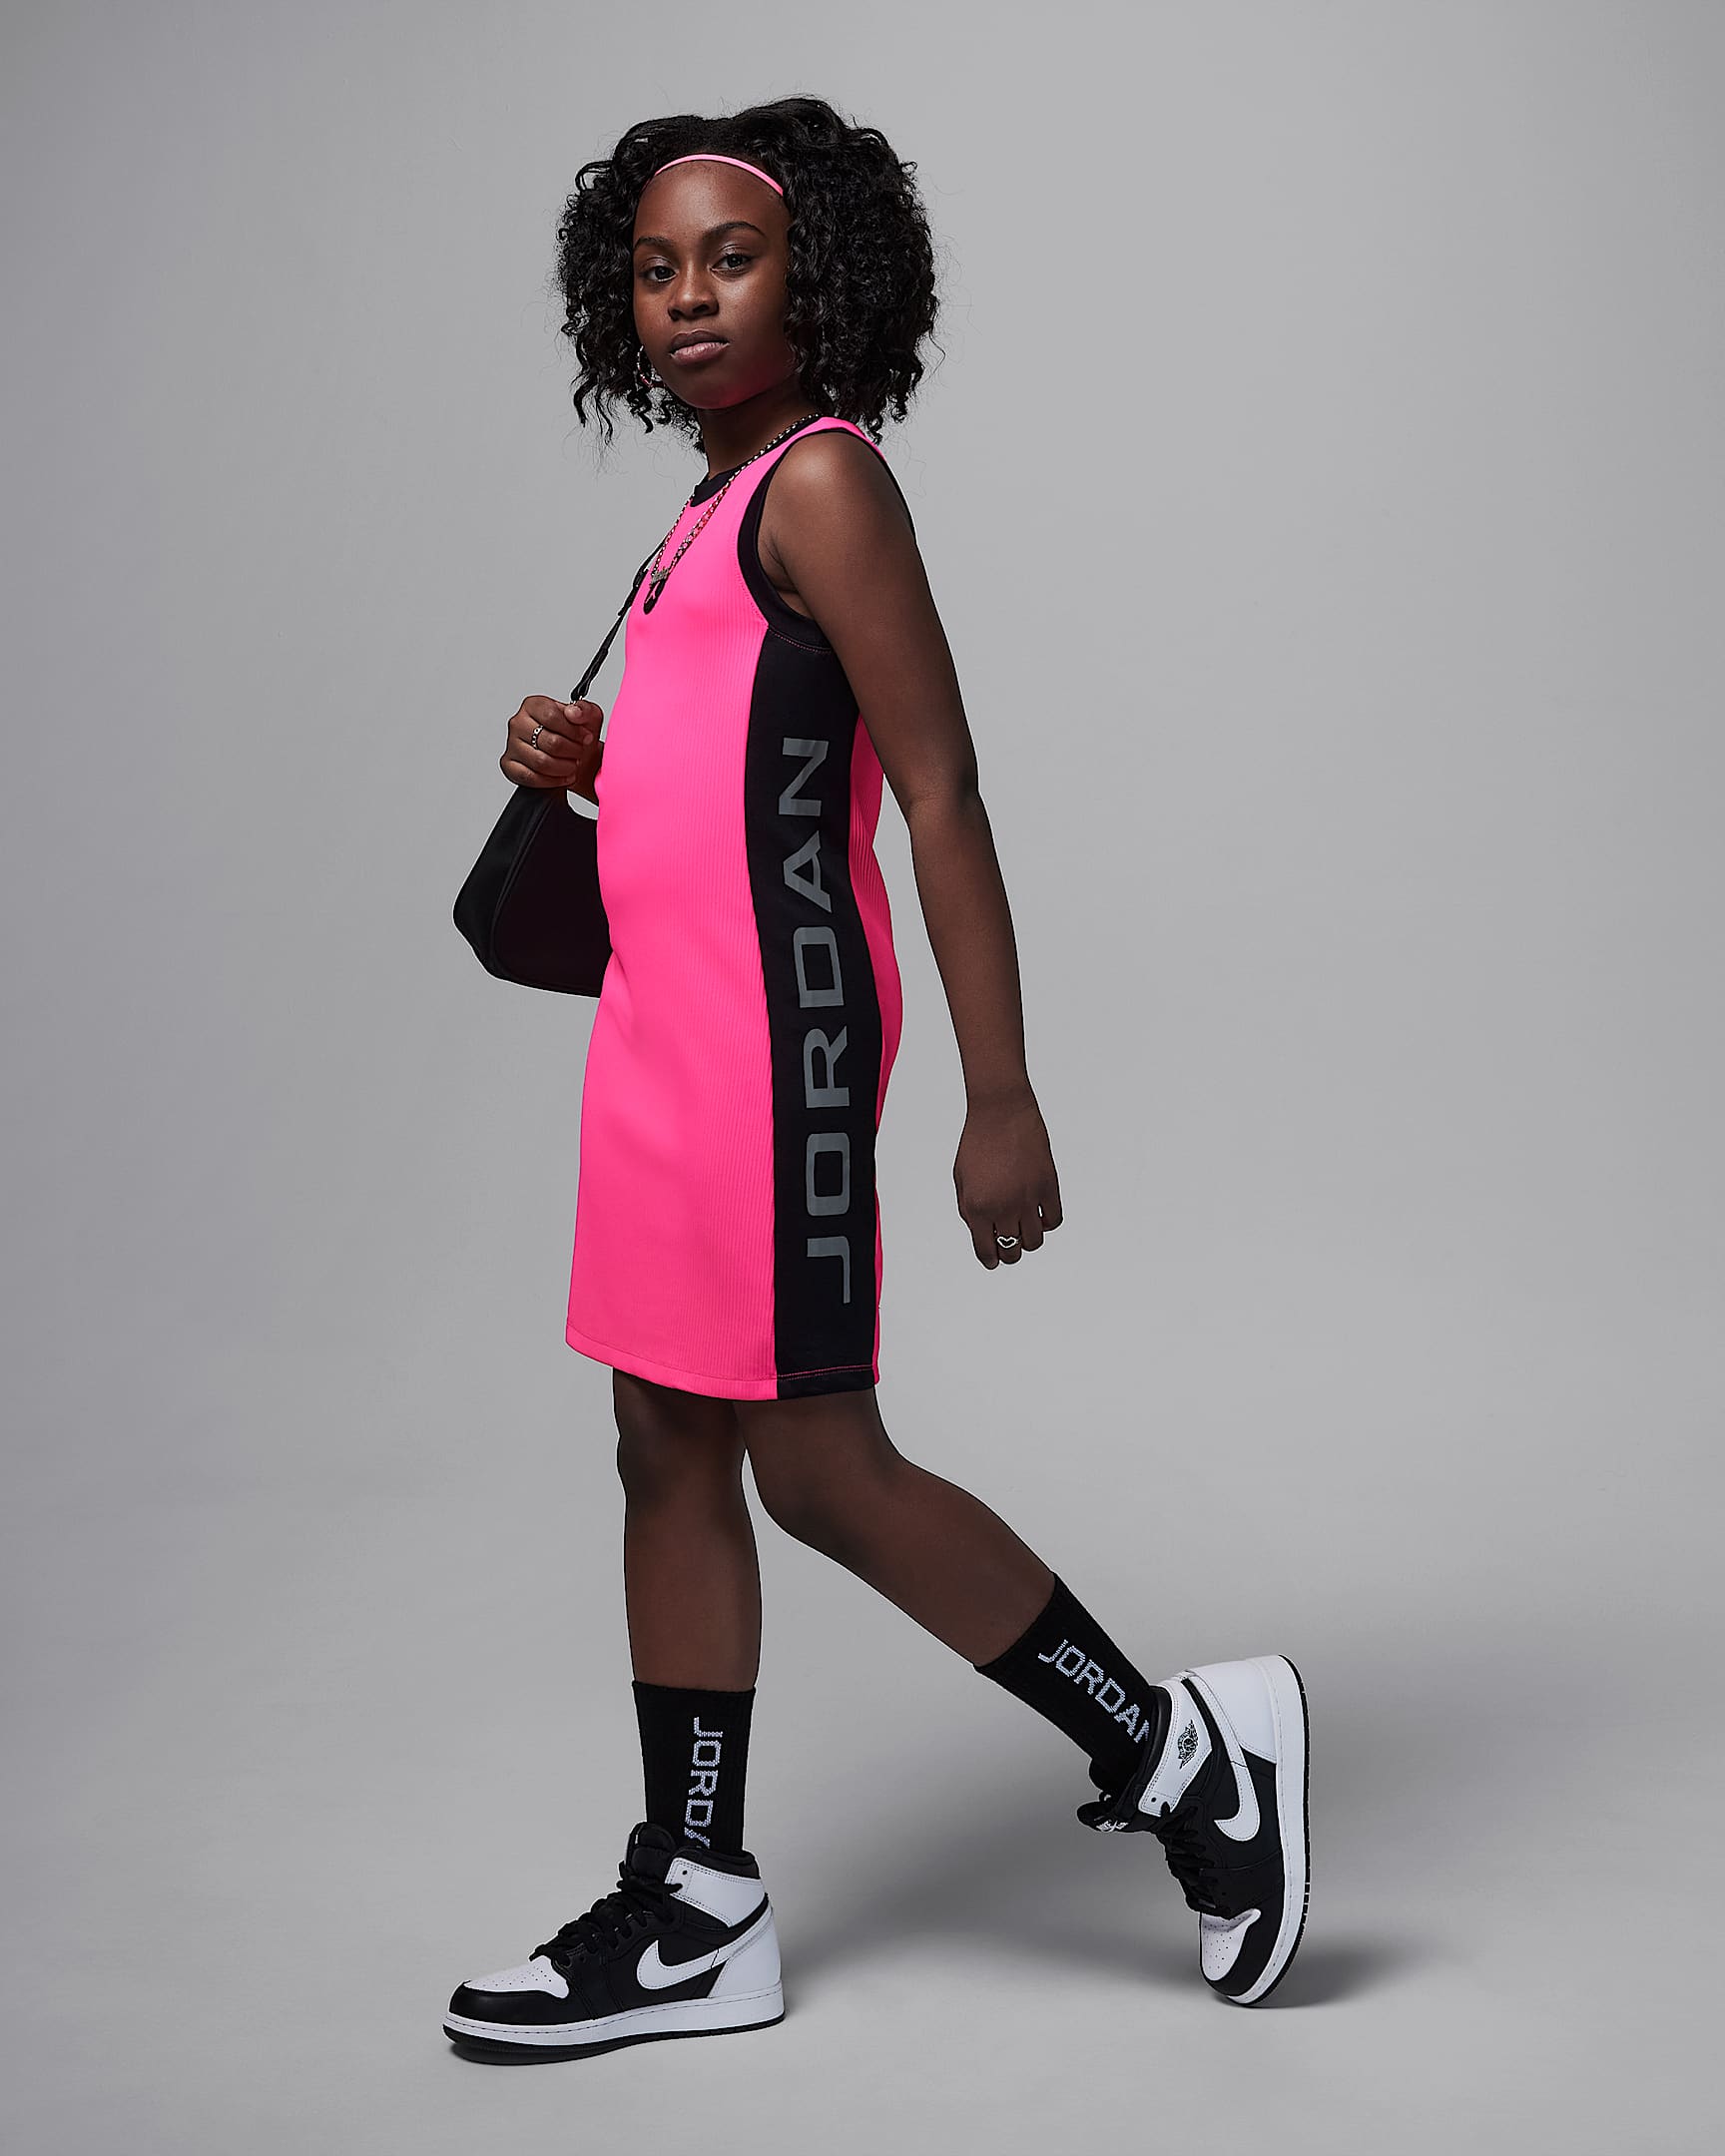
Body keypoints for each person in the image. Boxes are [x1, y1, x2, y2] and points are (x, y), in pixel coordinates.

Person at [442, 95, 1309, 2061]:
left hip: (776, 1049)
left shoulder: (825, 483)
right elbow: (729, 774)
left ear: (815, 277)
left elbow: (939, 790)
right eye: (654, 269)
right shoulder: (701, 510)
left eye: (729, 259)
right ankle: (697, 1901)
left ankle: (1188, 1762)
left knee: (819, 1465)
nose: (686, 299)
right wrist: (589, 767)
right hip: (658, 1040)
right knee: (665, 1441)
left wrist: (1001, 1094)